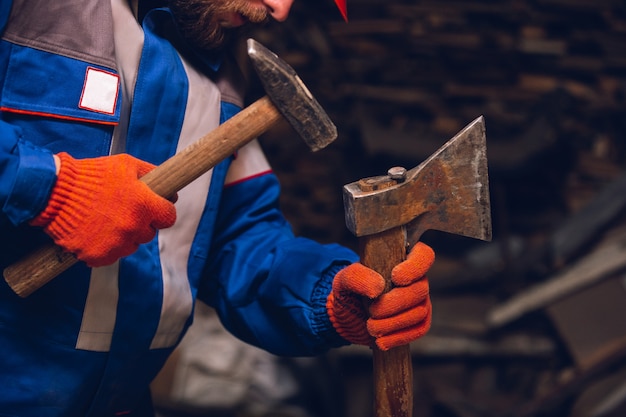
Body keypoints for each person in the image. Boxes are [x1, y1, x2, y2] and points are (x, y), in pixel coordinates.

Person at [0, 0, 435, 416]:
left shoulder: (222, 77)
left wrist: (330, 297)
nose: (280, 9)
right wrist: (46, 188)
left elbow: (237, 240)